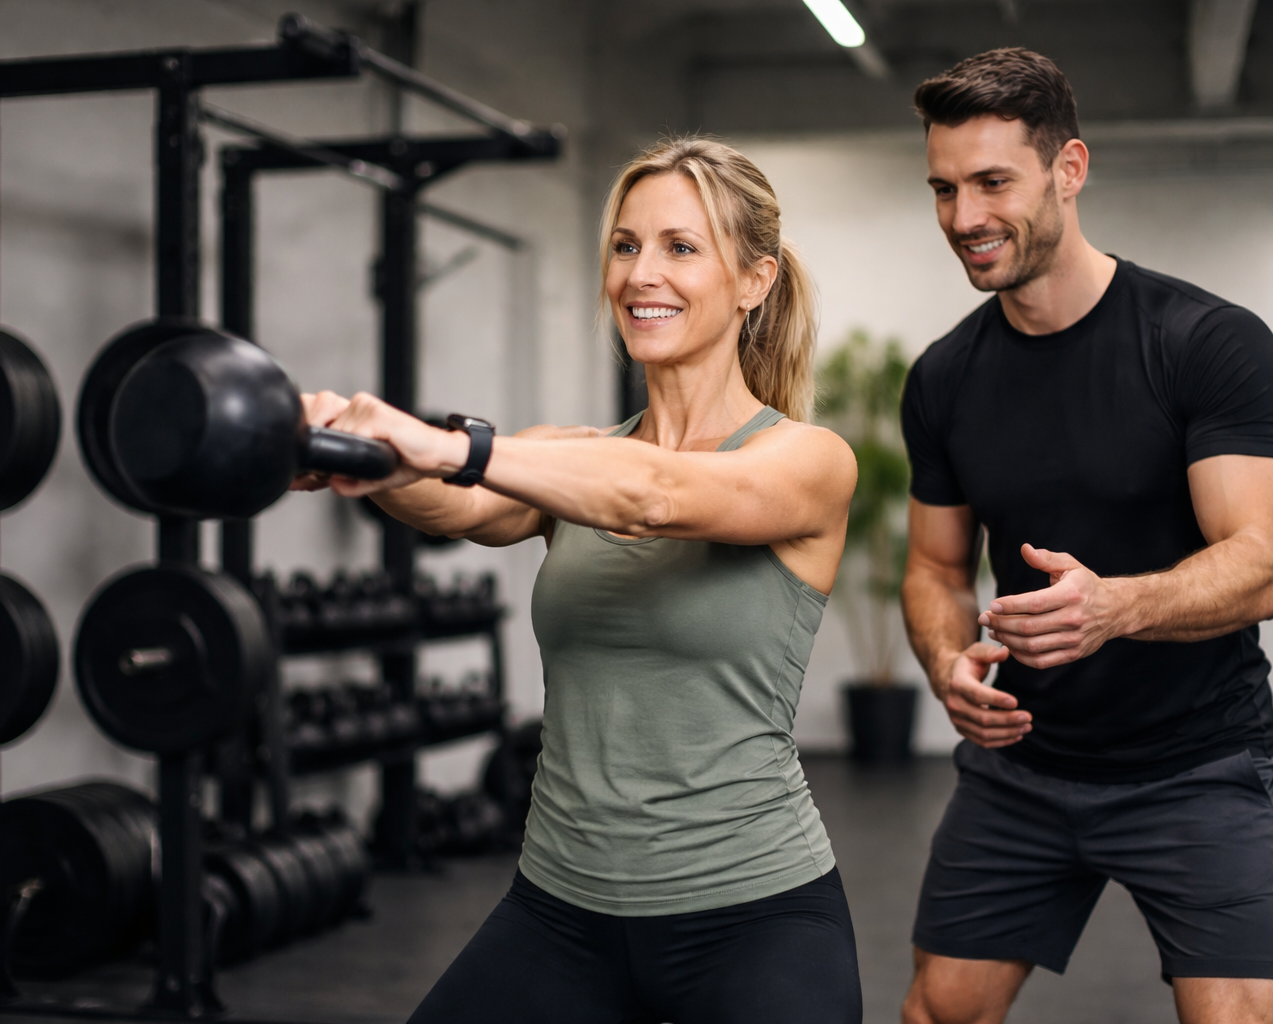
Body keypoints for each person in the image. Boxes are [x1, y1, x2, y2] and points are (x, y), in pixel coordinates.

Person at [295, 137, 862, 1024]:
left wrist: (446, 445)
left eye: (681, 247)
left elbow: (657, 498)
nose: (643, 274)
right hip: (561, 909)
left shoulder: (806, 460)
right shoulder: (573, 455)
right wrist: (362, 460)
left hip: (752, 915)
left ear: (754, 281)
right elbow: (463, 512)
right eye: (627, 246)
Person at [897, 49, 1273, 1024]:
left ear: (1068, 170)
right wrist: (951, 660)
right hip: (1024, 766)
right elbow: (934, 565)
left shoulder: (1205, 341)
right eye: (944, 188)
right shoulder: (946, 377)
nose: (964, 217)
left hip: (1198, 762)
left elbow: (1261, 564)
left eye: (994, 182)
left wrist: (1115, 606)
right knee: (940, 1011)